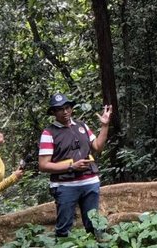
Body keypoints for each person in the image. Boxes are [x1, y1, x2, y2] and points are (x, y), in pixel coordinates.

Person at [38, 93, 112, 238]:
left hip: (90, 182)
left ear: (71, 108)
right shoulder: (49, 133)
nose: (65, 112)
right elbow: (43, 165)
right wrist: (72, 166)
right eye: (60, 109)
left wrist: (105, 125)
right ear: (53, 112)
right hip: (65, 186)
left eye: (67, 108)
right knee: (64, 227)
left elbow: (97, 146)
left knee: (93, 225)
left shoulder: (81, 125)